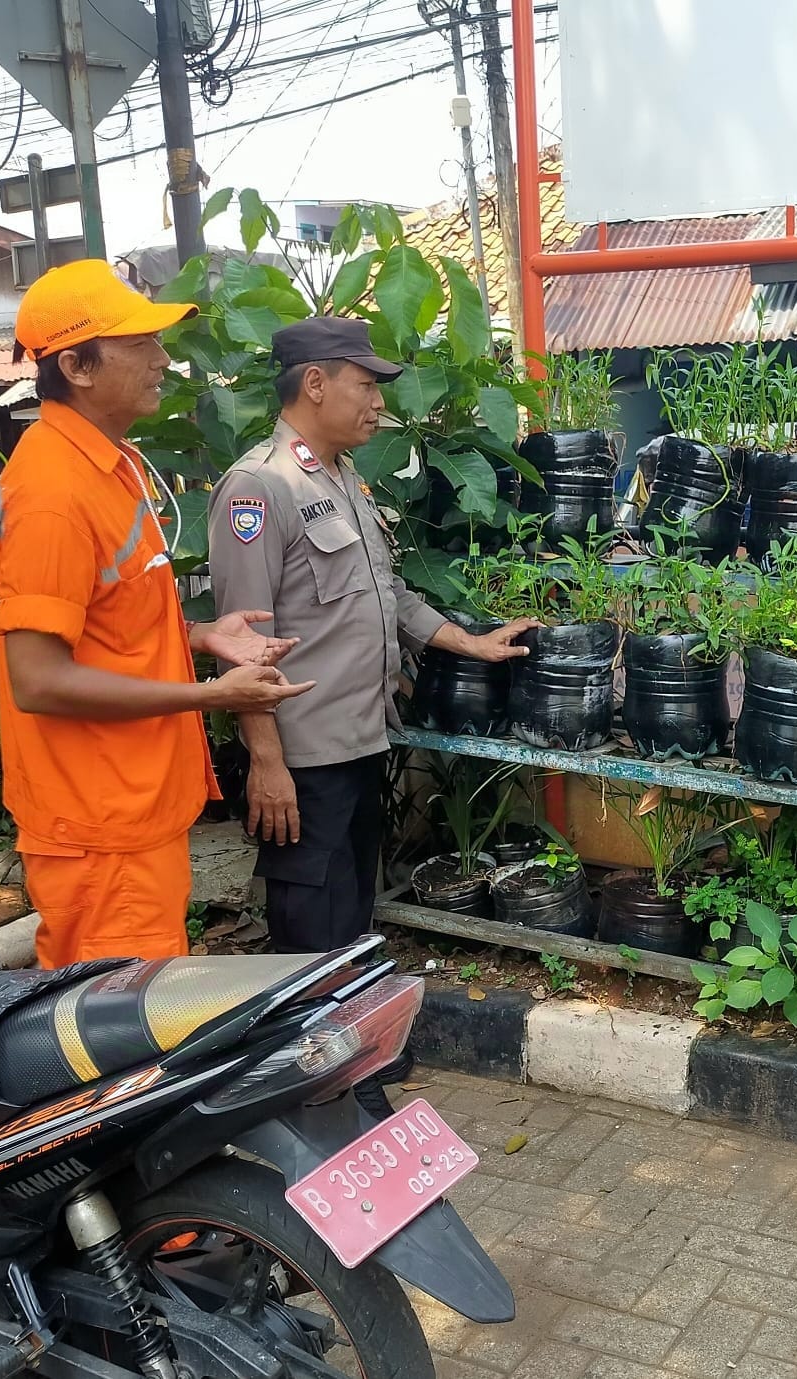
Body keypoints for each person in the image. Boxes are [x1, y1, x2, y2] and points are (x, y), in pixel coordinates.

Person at [207, 318, 536, 1039]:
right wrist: (266, 761)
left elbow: (389, 596)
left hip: (362, 740)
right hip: (304, 757)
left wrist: (470, 643)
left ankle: (352, 1057)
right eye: (365, 386)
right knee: (310, 930)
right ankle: (307, 1067)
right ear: (315, 384)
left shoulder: (343, 479)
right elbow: (243, 643)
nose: (379, 403)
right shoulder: (259, 488)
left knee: (352, 920)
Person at [0, 259, 314, 970]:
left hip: (129, 810)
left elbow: (105, 623)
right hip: (100, 824)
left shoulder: (109, 465)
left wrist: (200, 635)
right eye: (139, 344)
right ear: (76, 366)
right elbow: (39, 679)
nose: (163, 359)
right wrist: (212, 695)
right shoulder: (51, 494)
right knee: (111, 1023)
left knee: (138, 1004)